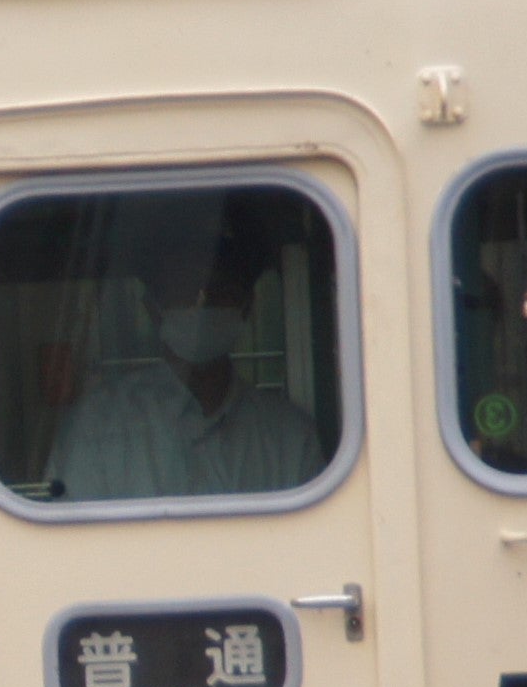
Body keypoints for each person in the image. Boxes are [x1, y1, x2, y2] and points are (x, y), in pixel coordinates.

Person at [40, 201, 323, 501]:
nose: (202, 307)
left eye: (219, 293)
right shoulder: (96, 428)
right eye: (186, 293)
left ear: (247, 307)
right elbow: (69, 540)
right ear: (153, 309)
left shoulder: (288, 437)